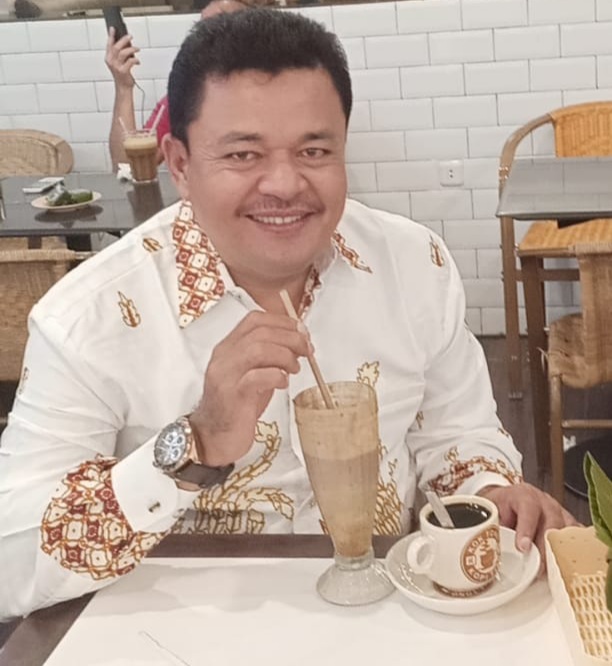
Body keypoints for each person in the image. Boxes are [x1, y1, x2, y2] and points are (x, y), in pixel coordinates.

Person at [0, 9, 577, 621]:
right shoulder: (88, 317)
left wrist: (491, 494)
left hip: (393, 613)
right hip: (180, 630)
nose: (284, 183)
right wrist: (194, 445)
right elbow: (11, 565)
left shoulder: (413, 263)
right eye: (243, 154)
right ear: (180, 164)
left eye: (314, 150)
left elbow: (456, 433)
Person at [105, 0, 249, 170]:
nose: (210, 39)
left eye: (222, 27)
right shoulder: (183, 100)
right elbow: (127, 167)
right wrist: (123, 87)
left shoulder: (271, 96)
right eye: (202, 30)